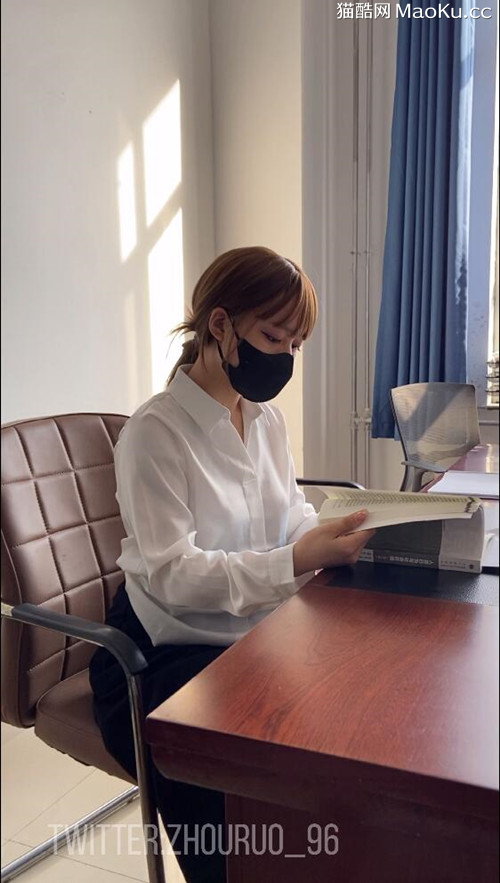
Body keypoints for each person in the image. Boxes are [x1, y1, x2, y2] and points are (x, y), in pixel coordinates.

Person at [89, 246, 374, 883]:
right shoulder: (155, 433)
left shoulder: (266, 420)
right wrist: (293, 561)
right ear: (220, 325)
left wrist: (328, 533)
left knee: (355, 714)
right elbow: (172, 574)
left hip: (252, 638)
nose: (285, 358)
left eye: (296, 344)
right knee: (244, 795)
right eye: (274, 337)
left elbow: (289, 512)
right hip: (159, 656)